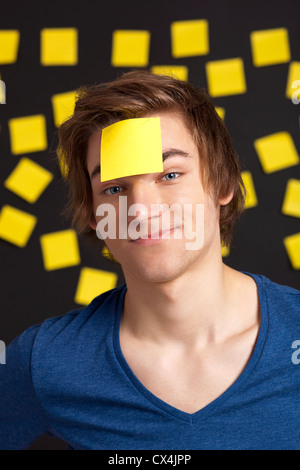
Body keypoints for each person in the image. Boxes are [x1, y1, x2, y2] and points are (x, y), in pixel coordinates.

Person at [0, 70, 299, 451]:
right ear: (93, 213)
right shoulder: (44, 362)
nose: (141, 210)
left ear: (223, 184)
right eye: (115, 188)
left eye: (170, 174)